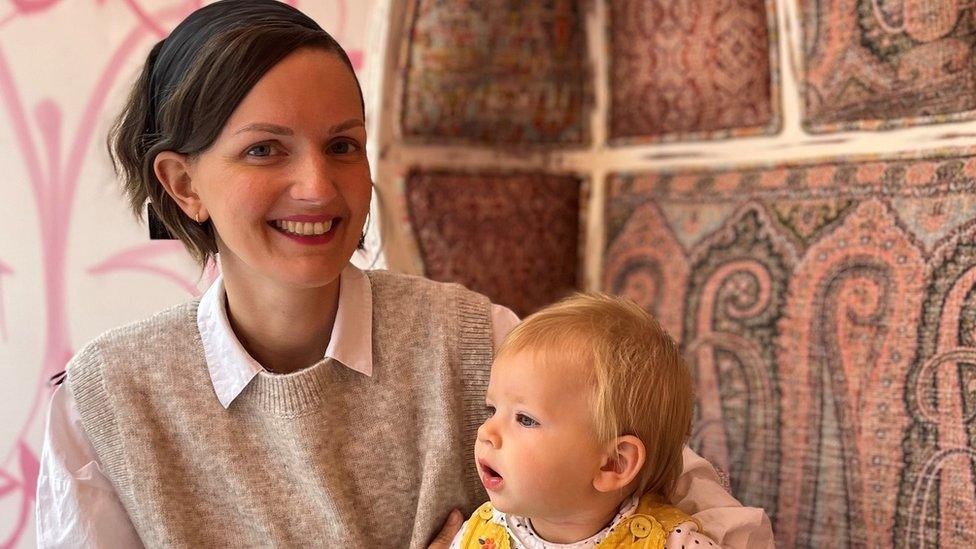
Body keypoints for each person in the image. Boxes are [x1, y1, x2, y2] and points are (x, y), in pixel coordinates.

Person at [34, 1, 773, 547]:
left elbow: (716, 521)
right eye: (265, 150)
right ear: (182, 184)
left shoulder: (477, 341)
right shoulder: (105, 403)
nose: (319, 187)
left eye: (343, 146)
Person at [451, 294, 748, 548]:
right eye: (492, 409)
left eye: (525, 419)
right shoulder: (477, 535)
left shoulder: (671, 542)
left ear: (613, 464)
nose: (486, 432)